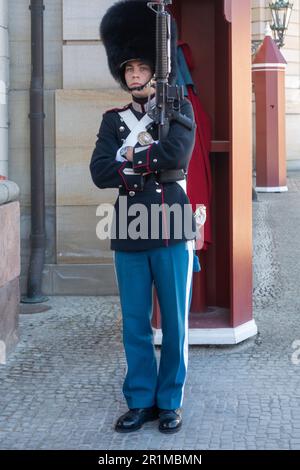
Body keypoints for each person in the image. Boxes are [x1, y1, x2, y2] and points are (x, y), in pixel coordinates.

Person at [90, 0, 199, 434]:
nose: (135, 75)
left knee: (173, 323)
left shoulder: (178, 109)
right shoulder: (111, 120)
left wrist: (135, 157)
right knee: (135, 322)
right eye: (128, 70)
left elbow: (177, 155)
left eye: (141, 68)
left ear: (156, 70)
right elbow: (100, 172)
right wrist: (145, 159)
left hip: (171, 223)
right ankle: (140, 400)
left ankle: (170, 400)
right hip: (130, 228)